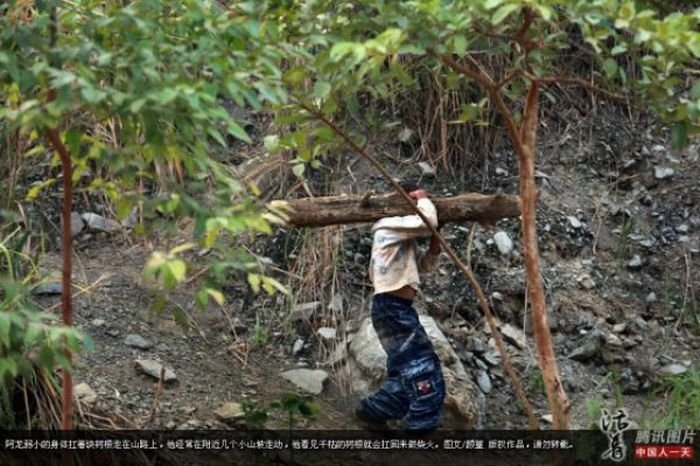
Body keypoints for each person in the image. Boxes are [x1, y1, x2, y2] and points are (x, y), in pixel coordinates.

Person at [354, 181, 446, 432]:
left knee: (407, 368)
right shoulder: (388, 226)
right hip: (392, 307)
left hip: (393, 308)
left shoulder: (402, 235)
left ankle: (373, 412)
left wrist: (435, 245)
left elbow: (423, 266)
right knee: (422, 367)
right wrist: (424, 199)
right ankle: (422, 428)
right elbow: (425, 220)